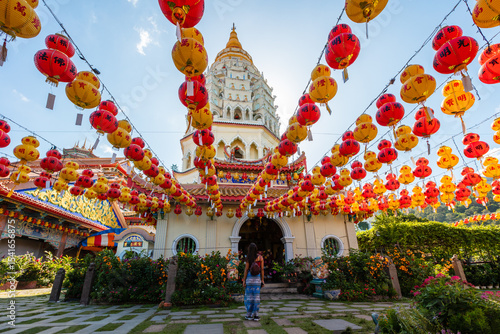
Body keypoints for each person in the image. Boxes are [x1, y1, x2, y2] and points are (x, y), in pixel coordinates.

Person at [242, 243, 265, 321]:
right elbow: (262, 269)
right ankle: (256, 315)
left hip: (249, 279)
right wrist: (262, 280)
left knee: (249, 297)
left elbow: (246, 269)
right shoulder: (260, 257)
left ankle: (248, 315)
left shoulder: (248, 258)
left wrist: (244, 280)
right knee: (256, 297)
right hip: (257, 279)